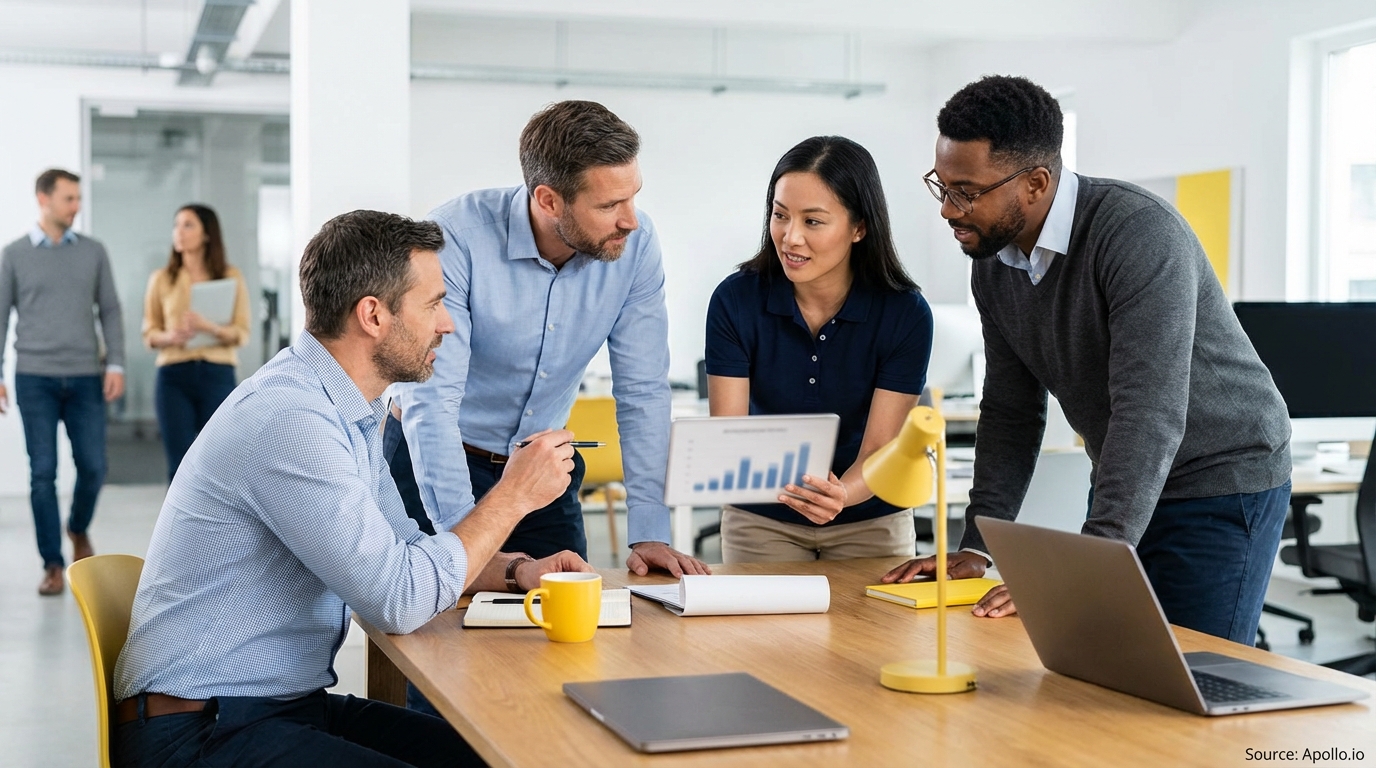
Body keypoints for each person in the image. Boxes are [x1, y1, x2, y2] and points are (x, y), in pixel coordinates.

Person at [113, 209, 590, 768]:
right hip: (198, 732)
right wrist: (515, 495)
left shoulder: (347, 409)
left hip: (271, 709)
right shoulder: (293, 418)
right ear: (373, 315)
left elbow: (407, 551)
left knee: (493, 755)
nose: (448, 325)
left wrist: (516, 571)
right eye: (434, 304)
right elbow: (398, 599)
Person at [881, 75, 1292, 645]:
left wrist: (1084, 567)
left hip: (1220, 480)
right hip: (1125, 473)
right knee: (1104, 668)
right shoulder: (993, 260)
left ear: (1036, 183)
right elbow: (1010, 411)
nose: (949, 210)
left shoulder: (1138, 233)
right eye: (942, 187)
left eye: (967, 192)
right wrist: (976, 545)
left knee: (1195, 674)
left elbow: (1148, 413)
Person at [390, 101, 708, 578]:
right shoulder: (454, 238)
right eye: (608, 206)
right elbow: (431, 404)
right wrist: (469, 547)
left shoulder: (635, 246)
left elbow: (643, 391)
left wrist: (650, 532)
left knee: (565, 632)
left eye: (632, 197)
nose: (631, 221)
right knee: (434, 632)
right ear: (548, 200)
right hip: (437, 460)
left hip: (543, 466)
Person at [704, 136, 933, 562]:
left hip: (871, 519)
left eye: (813, 221)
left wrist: (842, 494)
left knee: (875, 631)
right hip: (762, 521)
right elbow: (730, 437)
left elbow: (879, 450)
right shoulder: (735, 301)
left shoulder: (905, 313)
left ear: (859, 227)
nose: (790, 238)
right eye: (780, 215)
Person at [0, 168, 125, 596]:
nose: (77, 206)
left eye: (78, 198)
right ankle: (53, 564)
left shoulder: (93, 252)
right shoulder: (14, 254)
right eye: (69, 199)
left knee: (93, 466)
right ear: (43, 199)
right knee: (43, 473)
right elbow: (0, 317)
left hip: (87, 376)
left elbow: (110, 310)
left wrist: (117, 364)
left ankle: (77, 528)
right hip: (34, 377)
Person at [143, 204, 251, 482]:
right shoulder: (162, 279)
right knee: (178, 464)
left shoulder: (230, 276)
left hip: (217, 374)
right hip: (173, 375)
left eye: (188, 225)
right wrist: (170, 337)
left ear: (206, 234)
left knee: (218, 461)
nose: (179, 232)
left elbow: (242, 332)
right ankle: (177, 527)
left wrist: (209, 327)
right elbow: (149, 332)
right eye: (176, 225)